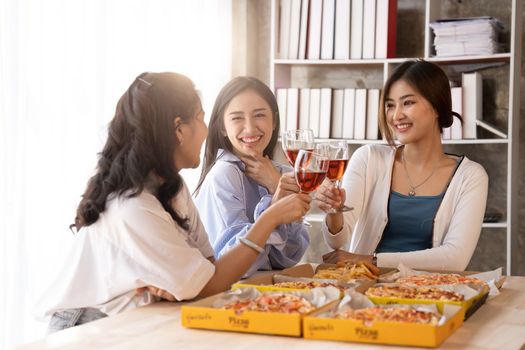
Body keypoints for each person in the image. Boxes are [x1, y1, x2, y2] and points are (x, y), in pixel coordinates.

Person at [37, 72, 311, 332]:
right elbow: (209, 283)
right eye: (201, 119)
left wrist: (187, 286)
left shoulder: (172, 186)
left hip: (138, 315)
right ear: (179, 130)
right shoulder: (133, 206)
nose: (206, 131)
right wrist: (269, 218)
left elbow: (209, 267)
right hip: (89, 325)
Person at [316, 59, 488, 271]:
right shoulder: (369, 159)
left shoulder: (470, 176)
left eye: (408, 103)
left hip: (431, 294)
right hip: (365, 289)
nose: (396, 116)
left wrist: (369, 260)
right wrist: (334, 212)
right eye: (390, 105)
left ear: (436, 106)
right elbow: (336, 242)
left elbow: (454, 258)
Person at [194, 77, 309, 276]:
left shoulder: (279, 173)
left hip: (263, 291)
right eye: (237, 118)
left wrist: (276, 186)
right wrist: (273, 206)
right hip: (224, 295)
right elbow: (239, 265)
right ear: (222, 127)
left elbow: (288, 258)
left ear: (273, 121)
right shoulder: (225, 174)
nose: (250, 128)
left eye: (259, 115)